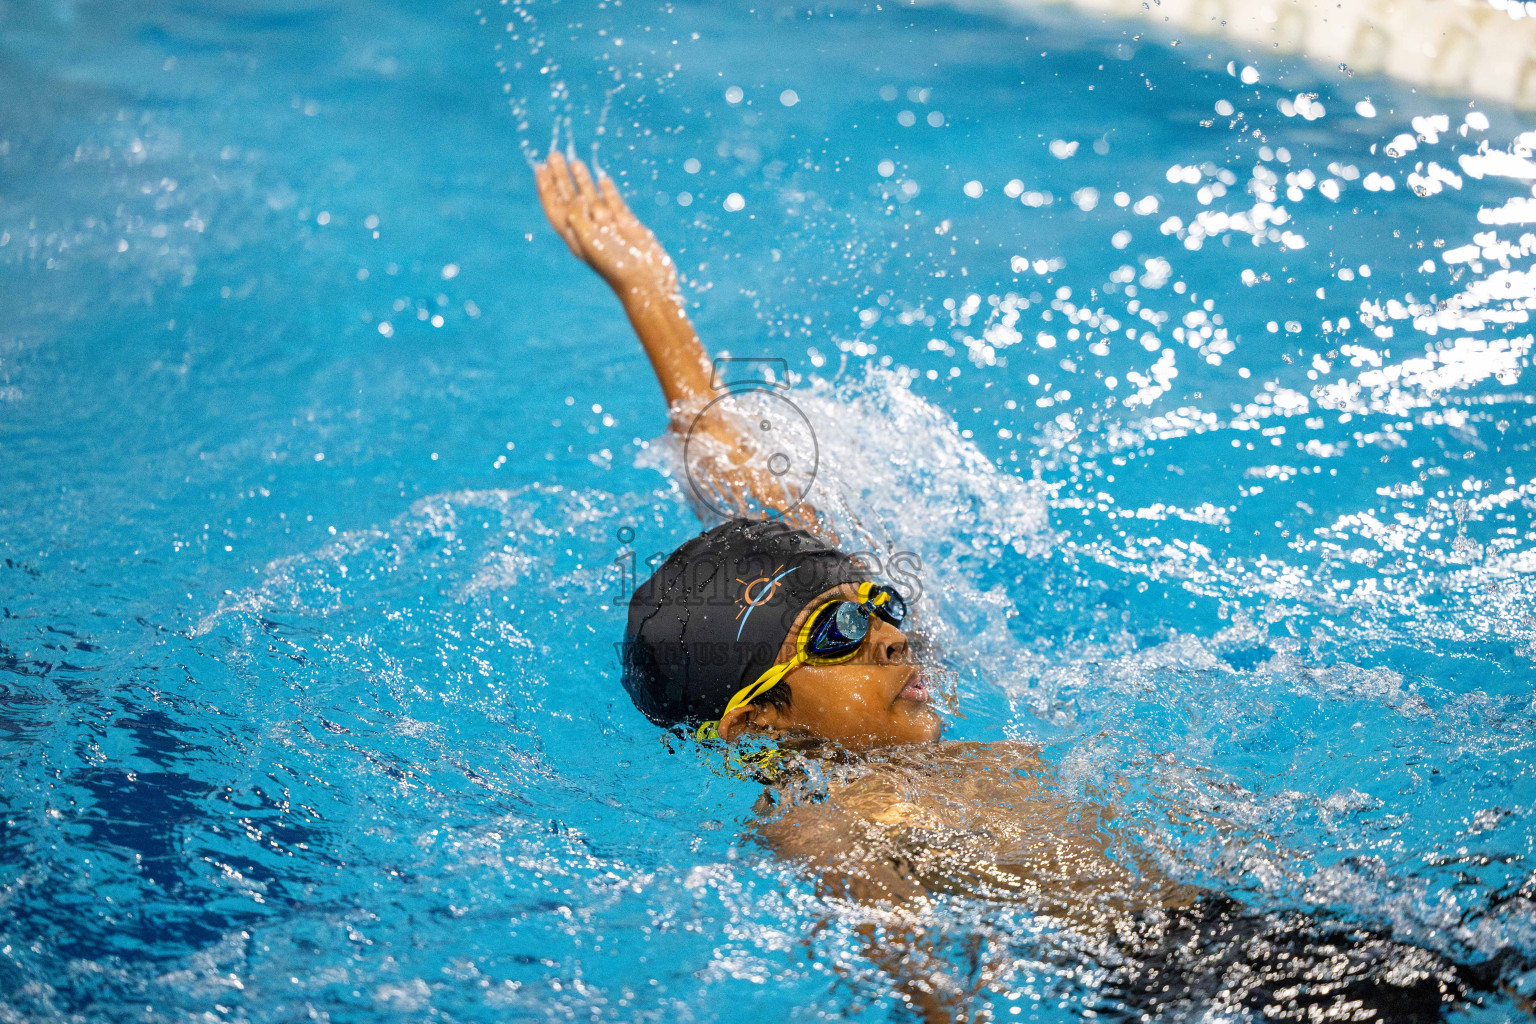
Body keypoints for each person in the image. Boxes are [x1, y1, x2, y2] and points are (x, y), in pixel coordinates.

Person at [533, 149, 1525, 1022]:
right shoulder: (821, 821)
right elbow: (905, 959)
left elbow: (744, 495)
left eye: (880, 603)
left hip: (1248, 932)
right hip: (1187, 983)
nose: (889, 633)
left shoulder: (862, 739)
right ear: (757, 721)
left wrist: (647, 294)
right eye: (838, 632)